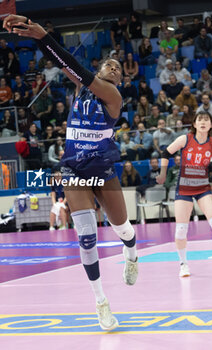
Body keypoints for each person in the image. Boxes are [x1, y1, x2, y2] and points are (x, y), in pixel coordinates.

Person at [5, 14, 138, 331]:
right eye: (109, 65)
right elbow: (65, 63)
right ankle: (101, 302)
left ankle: (132, 254)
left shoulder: (113, 97)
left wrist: (43, 36)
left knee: (123, 230)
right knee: (87, 237)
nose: (113, 68)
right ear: (100, 68)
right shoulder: (83, 86)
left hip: (103, 170)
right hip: (74, 170)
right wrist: (38, 38)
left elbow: (76, 68)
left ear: (119, 81)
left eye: (118, 68)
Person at [156, 111, 212, 277]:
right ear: (195, 124)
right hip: (184, 188)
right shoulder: (185, 139)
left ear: (211, 125)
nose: (203, 122)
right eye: (200, 119)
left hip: (203, 188)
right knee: (181, 229)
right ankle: (183, 264)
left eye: (207, 120)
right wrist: (162, 173)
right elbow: (165, 153)